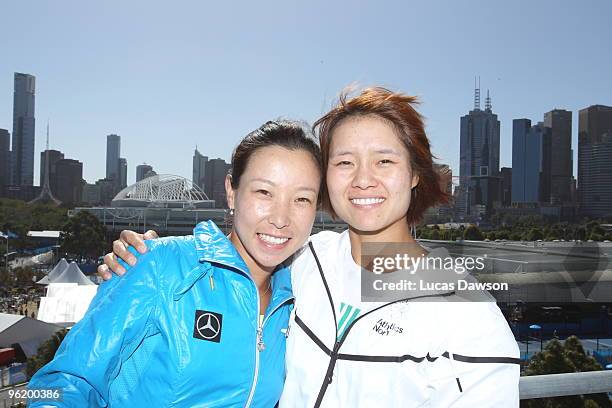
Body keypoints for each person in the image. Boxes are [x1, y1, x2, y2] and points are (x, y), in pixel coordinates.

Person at [100, 87, 521, 407]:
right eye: (344, 162)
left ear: (415, 174)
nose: (362, 179)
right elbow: (233, 265)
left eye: (385, 161)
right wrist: (144, 258)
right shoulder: (306, 258)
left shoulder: (467, 311)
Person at [28, 120, 322, 407]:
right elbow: (68, 381)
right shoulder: (158, 265)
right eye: (264, 192)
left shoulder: (303, 296)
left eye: (302, 199)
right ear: (232, 191)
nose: (281, 219)